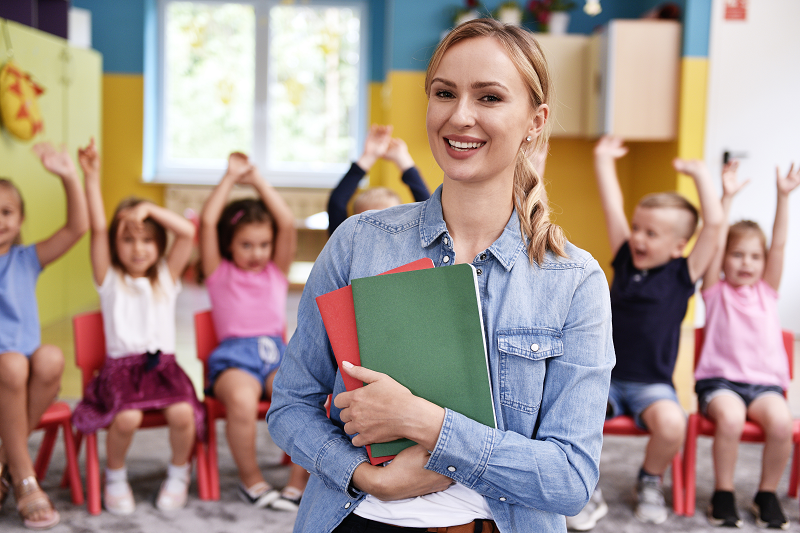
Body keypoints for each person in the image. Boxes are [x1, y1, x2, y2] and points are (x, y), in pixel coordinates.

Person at [267, 18, 614, 532]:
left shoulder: (574, 281)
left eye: (490, 97)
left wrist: (427, 425)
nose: (460, 116)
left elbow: (569, 479)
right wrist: (366, 476)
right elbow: (290, 405)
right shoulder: (359, 242)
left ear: (535, 121)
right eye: (444, 93)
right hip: (353, 517)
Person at [570, 135, 723, 529]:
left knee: (674, 424)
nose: (637, 238)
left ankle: (650, 480)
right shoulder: (624, 258)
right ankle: (585, 485)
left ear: (678, 246)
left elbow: (716, 224)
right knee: (572, 411)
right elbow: (611, 207)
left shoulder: (682, 274)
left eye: (650, 234)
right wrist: (603, 159)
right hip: (605, 374)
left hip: (652, 384)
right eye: (637, 228)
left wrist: (701, 176)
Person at [71, 138, 204, 515]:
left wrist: (148, 209)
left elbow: (187, 233)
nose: (138, 248)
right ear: (115, 245)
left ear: (157, 243)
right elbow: (98, 228)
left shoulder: (166, 275)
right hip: (121, 372)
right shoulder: (109, 279)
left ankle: (179, 473)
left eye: (147, 239)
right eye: (128, 239)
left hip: (163, 367)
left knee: (183, 415)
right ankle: (115, 477)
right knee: (126, 418)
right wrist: (91, 176)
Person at [199, 152, 310, 511]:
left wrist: (259, 180)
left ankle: (297, 483)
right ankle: (252, 481)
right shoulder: (219, 273)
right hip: (234, 359)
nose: (257, 252)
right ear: (229, 243)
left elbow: (286, 224)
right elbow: (207, 222)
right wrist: (230, 178)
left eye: (263, 244)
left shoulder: (275, 273)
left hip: (275, 354)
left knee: (302, 396)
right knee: (243, 402)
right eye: (246, 244)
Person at [694, 160, 799, 529]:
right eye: (737, 254)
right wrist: (726, 195)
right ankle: (723, 492)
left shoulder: (766, 292)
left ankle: (766, 493)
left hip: (765, 385)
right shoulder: (715, 292)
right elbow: (716, 236)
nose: (747, 263)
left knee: (782, 423)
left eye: (755, 256)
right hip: (720, 384)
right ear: (722, 260)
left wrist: (783, 197)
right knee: (732, 418)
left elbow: (781, 243)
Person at [0, 143, 88, 530]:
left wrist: (70, 176)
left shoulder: (26, 260)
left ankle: (4, 460)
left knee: (50, 356)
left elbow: (77, 228)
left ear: (19, 220)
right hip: (7, 369)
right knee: (14, 363)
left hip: (23, 373)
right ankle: (23, 477)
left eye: (6, 212)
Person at [327, 124, 430, 235]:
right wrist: (368, 157)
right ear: (354, 224)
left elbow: (429, 212)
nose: (380, 229)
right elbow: (336, 204)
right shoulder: (348, 241)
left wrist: (403, 160)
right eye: (369, 222)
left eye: (388, 222)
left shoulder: (408, 243)